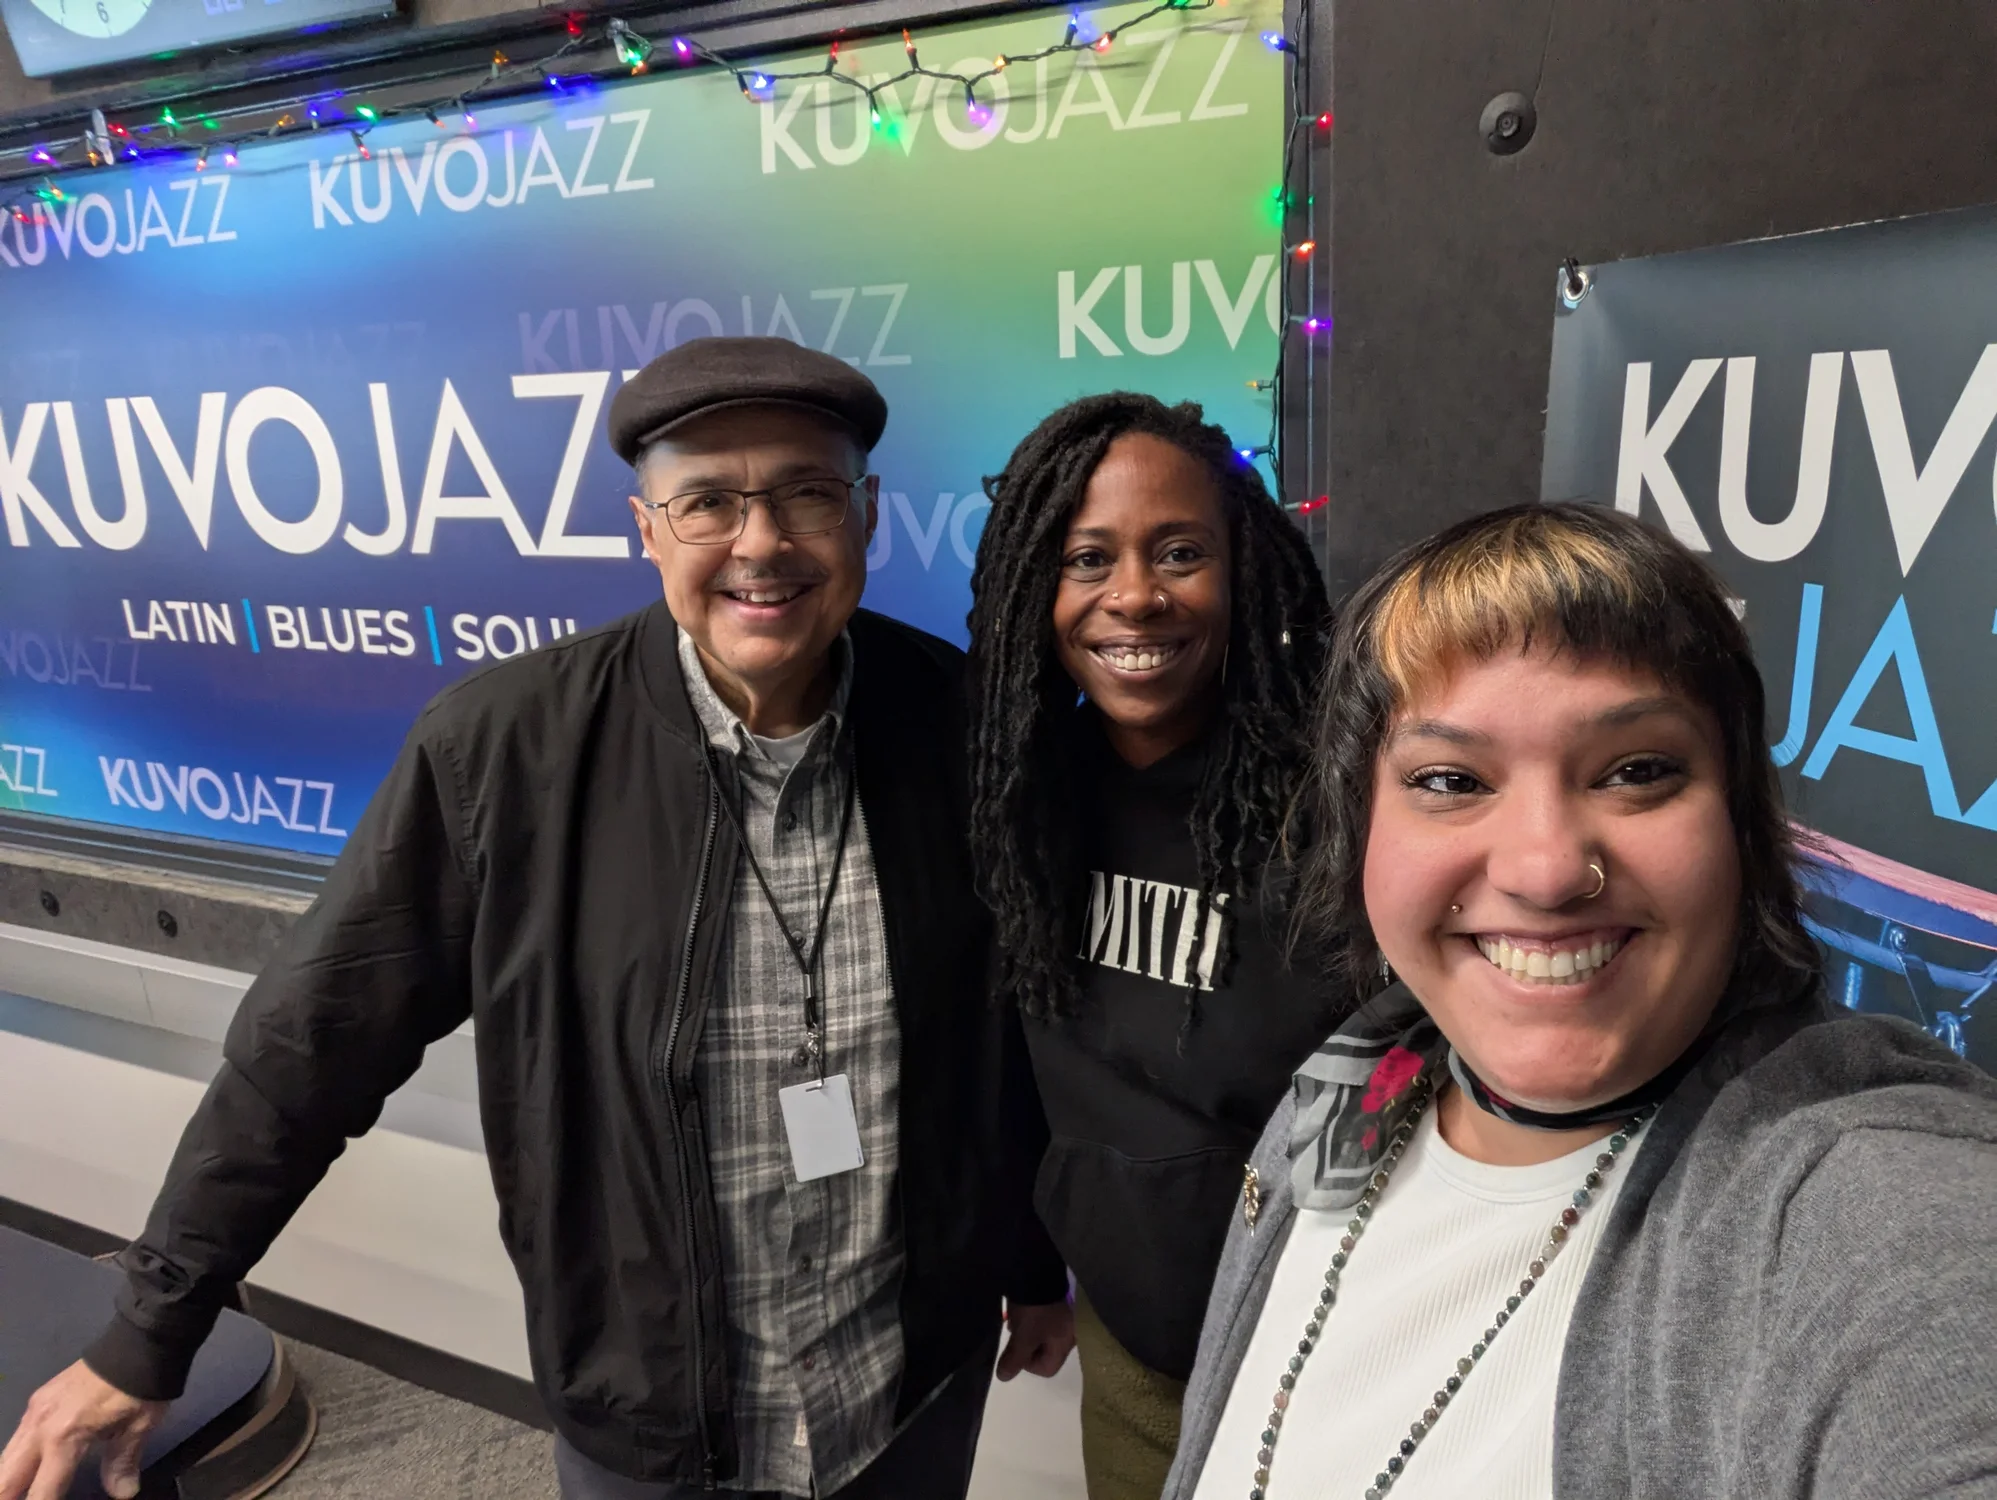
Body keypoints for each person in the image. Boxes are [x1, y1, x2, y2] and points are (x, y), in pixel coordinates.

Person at [0, 337, 1075, 1500]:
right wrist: (150, 1330)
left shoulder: (962, 726)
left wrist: (1024, 1252)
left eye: (805, 495)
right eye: (707, 502)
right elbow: (305, 1051)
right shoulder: (500, 751)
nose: (760, 544)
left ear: (865, 515)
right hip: (649, 1412)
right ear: (645, 527)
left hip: (904, 1385)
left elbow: (1005, 1033)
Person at [1163, 502, 1997, 1500]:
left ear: (1736, 817)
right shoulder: (1352, 1079)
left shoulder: (1867, 1201)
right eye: (1447, 778)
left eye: (1636, 771)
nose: (1547, 869)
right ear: (1360, 829)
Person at [965, 393, 1340, 1500]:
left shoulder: (1338, 801)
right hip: (1135, 1356)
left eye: (1179, 551)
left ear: (1242, 567)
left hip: (1319, 1350)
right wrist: (1031, 1270)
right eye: (1087, 558)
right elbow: (1025, 1071)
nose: (1132, 595)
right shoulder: (1023, 796)